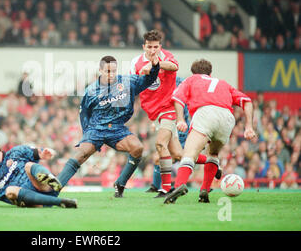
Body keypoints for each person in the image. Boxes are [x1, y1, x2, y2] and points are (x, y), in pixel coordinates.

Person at [57, 54, 160, 198]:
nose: (111, 74)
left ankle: (120, 183)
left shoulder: (127, 82)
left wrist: (155, 67)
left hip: (117, 129)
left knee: (138, 148)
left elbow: (148, 80)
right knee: (80, 155)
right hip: (96, 129)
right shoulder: (91, 91)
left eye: (114, 70)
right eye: (108, 71)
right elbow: (84, 114)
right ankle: (55, 189)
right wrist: (88, 135)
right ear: (101, 70)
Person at [164, 59, 256, 204]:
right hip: (227, 117)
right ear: (210, 73)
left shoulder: (191, 79)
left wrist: (180, 119)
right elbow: (247, 101)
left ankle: (179, 185)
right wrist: (249, 126)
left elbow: (177, 98)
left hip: (205, 113)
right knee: (213, 154)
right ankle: (204, 190)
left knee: (189, 153)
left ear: (194, 72)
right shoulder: (223, 83)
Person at [131, 30, 209, 198]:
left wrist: (155, 64)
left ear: (160, 46)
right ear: (143, 46)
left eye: (156, 47)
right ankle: (211, 162)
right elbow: (135, 86)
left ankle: (165, 189)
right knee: (179, 155)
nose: (153, 50)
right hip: (154, 113)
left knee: (160, 145)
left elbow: (174, 66)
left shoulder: (166, 57)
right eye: (149, 47)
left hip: (169, 108)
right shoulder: (136, 63)